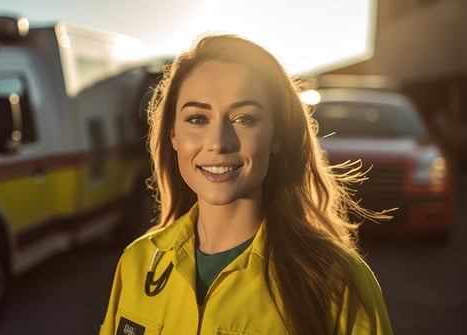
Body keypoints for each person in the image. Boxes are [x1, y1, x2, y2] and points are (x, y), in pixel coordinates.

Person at [99, 33, 394, 335]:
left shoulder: (336, 281)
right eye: (198, 119)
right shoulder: (138, 262)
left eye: (244, 118)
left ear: (276, 135)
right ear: (173, 134)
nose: (218, 143)